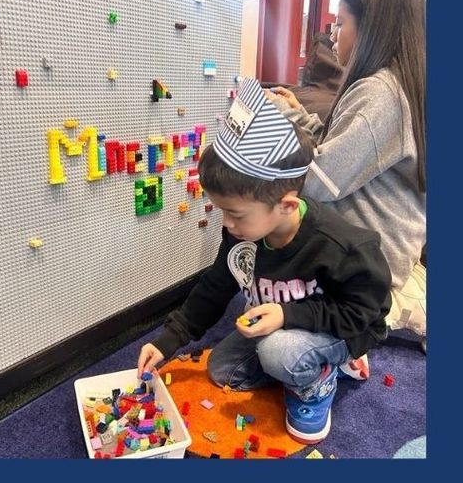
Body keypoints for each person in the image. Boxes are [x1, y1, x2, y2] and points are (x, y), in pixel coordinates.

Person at [137, 78, 391, 444]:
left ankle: (323, 375)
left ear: (286, 205)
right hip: (285, 325)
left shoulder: (340, 246)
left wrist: (288, 316)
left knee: (278, 353)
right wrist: (168, 340)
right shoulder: (245, 232)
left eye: (236, 214)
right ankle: (303, 359)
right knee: (222, 369)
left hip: (348, 325)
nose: (226, 224)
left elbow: (364, 313)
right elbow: (217, 284)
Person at [269, 0, 426, 342]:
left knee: (280, 348)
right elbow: (339, 148)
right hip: (379, 249)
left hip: (368, 264)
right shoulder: (393, 84)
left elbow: (318, 182)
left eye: (339, 23)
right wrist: (297, 115)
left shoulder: (381, 93)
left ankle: (385, 312)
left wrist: (271, 129)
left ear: (371, 27)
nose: (333, 36)